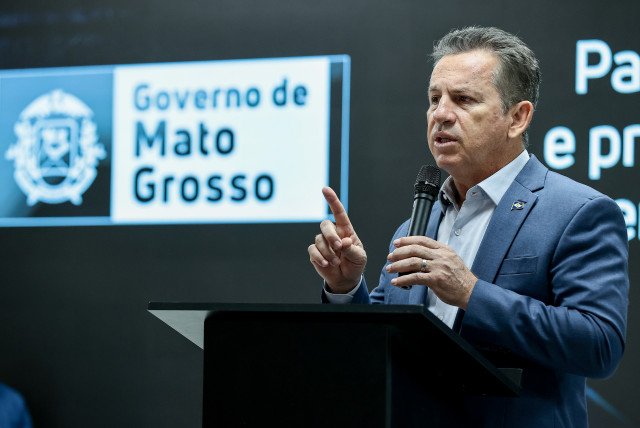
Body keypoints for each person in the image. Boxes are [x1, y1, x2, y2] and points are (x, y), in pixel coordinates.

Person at [308, 27, 629, 427]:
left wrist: (471, 293)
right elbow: (386, 342)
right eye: (434, 99)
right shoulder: (415, 225)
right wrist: (345, 288)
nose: (441, 114)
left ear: (517, 117)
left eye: (463, 99)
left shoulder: (578, 212)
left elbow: (599, 344)